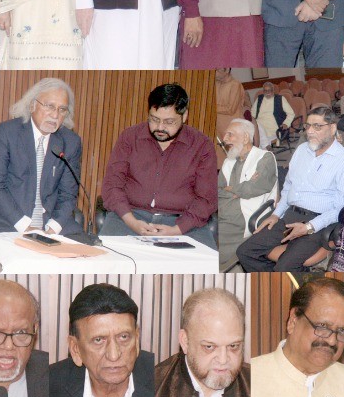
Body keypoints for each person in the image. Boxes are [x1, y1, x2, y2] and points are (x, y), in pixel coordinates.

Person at [101, 83, 218, 248]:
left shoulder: (202, 145)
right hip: (128, 218)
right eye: (154, 119)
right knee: (106, 259)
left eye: (169, 122)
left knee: (205, 262)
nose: (160, 127)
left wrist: (176, 230)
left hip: (183, 223)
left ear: (184, 116)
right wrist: (132, 222)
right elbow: (112, 185)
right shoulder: (129, 138)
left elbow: (206, 199)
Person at [0, 78, 83, 238]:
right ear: (32, 105)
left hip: (52, 225)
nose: (55, 115)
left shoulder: (70, 142)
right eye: (49, 106)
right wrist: (25, 226)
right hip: (9, 221)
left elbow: (68, 194)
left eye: (62, 109)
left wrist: (53, 228)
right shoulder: (5, 133)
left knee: (88, 250)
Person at [237, 106, 344, 272]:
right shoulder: (302, 150)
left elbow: (339, 209)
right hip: (289, 215)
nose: (310, 131)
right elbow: (288, 187)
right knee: (245, 252)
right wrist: (275, 214)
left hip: (318, 223)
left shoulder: (341, 159)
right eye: (308, 126)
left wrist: (309, 227)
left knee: (284, 266)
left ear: (332, 128)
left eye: (317, 126)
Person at [218, 118, 278, 270]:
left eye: (230, 135)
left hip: (244, 217)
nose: (225, 139)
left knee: (214, 242)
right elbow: (217, 190)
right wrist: (239, 190)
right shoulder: (229, 161)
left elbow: (252, 188)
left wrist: (230, 189)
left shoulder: (265, 157)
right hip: (222, 212)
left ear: (245, 138)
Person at [253, 82, 295, 148]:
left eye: (269, 90)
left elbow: (291, 114)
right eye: (265, 90)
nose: (267, 92)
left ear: (273, 90)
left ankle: (265, 146)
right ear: (263, 91)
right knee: (256, 126)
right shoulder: (259, 99)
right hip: (259, 127)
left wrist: (286, 123)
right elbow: (252, 113)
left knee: (257, 135)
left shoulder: (280, 99)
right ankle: (266, 146)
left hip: (273, 129)